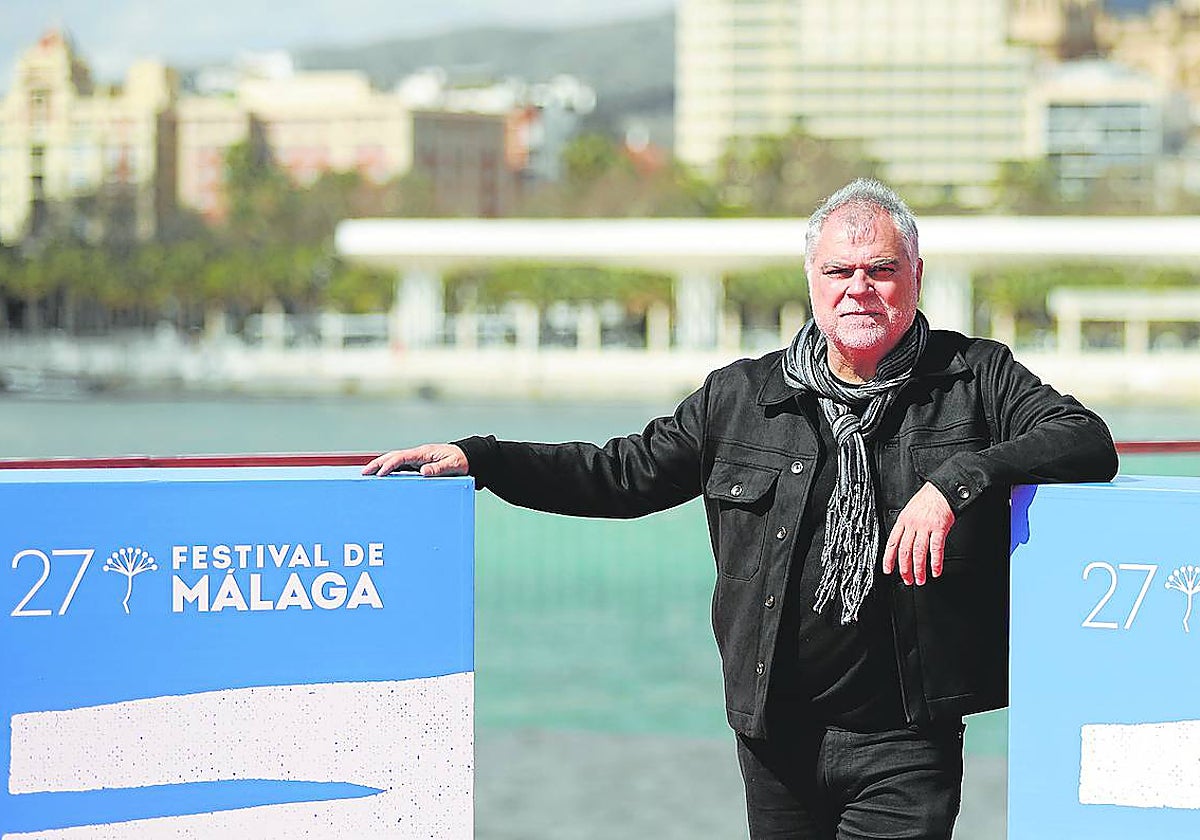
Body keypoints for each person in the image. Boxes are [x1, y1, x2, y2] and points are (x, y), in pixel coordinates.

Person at [363, 178, 1118, 839]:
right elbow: (621, 475)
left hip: (905, 741)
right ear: (812, 280)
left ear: (915, 276)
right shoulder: (742, 397)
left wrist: (959, 479)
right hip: (774, 736)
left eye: (882, 270)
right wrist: (485, 459)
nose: (861, 287)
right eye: (841, 270)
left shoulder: (975, 377)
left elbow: (1084, 440)